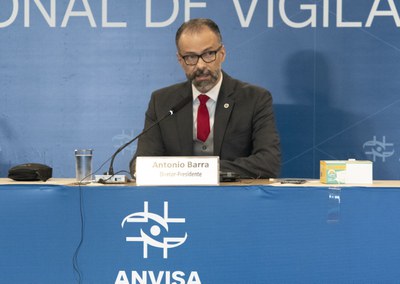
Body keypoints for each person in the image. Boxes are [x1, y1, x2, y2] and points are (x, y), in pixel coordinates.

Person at [130, 18, 280, 178]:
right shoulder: (161, 102)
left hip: (234, 198)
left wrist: (204, 170)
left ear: (222, 54)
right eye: (191, 57)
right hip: (177, 199)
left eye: (209, 54)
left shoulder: (254, 99)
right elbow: (140, 164)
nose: (201, 65)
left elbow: (268, 163)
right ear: (180, 60)